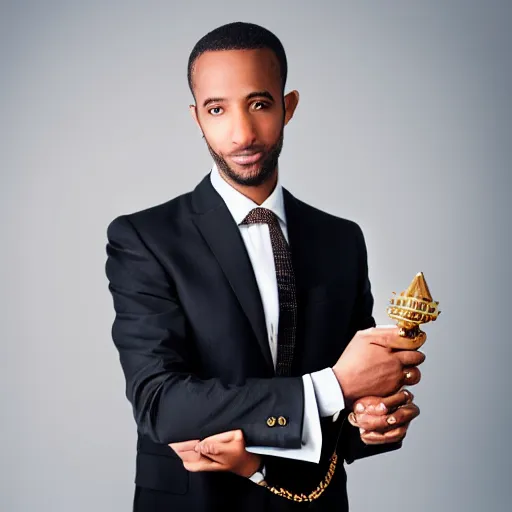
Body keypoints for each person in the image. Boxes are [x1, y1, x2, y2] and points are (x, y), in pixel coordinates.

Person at [105, 21, 425, 511]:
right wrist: (334, 386)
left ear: (288, 105)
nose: (242, 133)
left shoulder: (342, 240)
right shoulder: (145, 239)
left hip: (310, 501)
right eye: (217, 109)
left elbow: (349, 422)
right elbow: (161, 406)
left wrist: (374, 418)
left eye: (259, 104)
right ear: (196, 118)